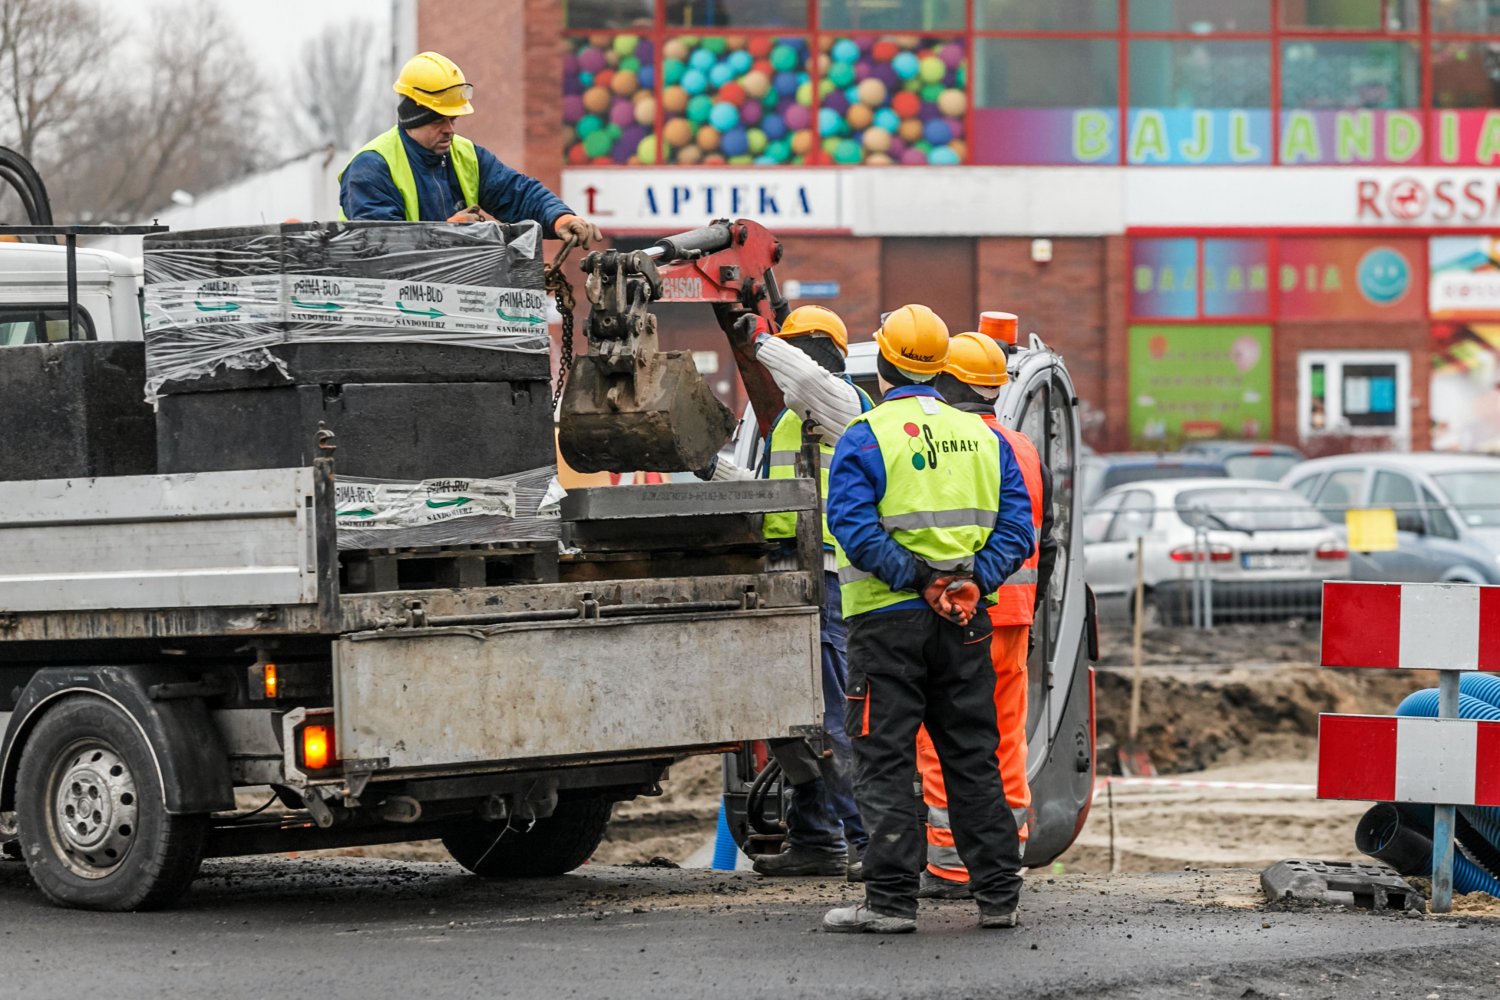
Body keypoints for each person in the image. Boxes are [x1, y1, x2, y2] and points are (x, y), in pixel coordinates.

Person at [821, 304, 1035, 934]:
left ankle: (888, 904)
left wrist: (921, 578)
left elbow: (854, 529)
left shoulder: (865, 435)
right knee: (973, 755)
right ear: (940, 366)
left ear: (883, 363)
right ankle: (998, 895)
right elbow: (1016, 530)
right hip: (964, 623)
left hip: (887, 625)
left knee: (885, 761)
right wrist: (969, 582)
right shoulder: (985, 437)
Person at [699, 305, 872, 878]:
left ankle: (869, 845)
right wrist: (709, 469)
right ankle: (818, 840)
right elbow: (769, 494)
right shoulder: (785, 421)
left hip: (831, 580)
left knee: (834, 720)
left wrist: (759, 340)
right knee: (794, 716)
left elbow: (806, 380)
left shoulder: (847, 406)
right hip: (785, 574)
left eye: (794, 350)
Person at [915, 330, 1056, 899]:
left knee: (942, 737)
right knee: (1005, 736)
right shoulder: (1021, 444)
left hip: (964, 610)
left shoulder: (954, 440)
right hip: (1016, 611)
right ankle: (1007, 852)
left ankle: (950, 866)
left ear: (947, 381)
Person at [339, 51, 601, 244]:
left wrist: (560, 219)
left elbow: (518, 193)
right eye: (439, 121)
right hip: (387, 313)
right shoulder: (372, 166)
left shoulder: (466, 155)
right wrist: (448, 230)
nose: (450, 130)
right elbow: (377, 246)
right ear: (414, 117)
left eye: (453, 119)